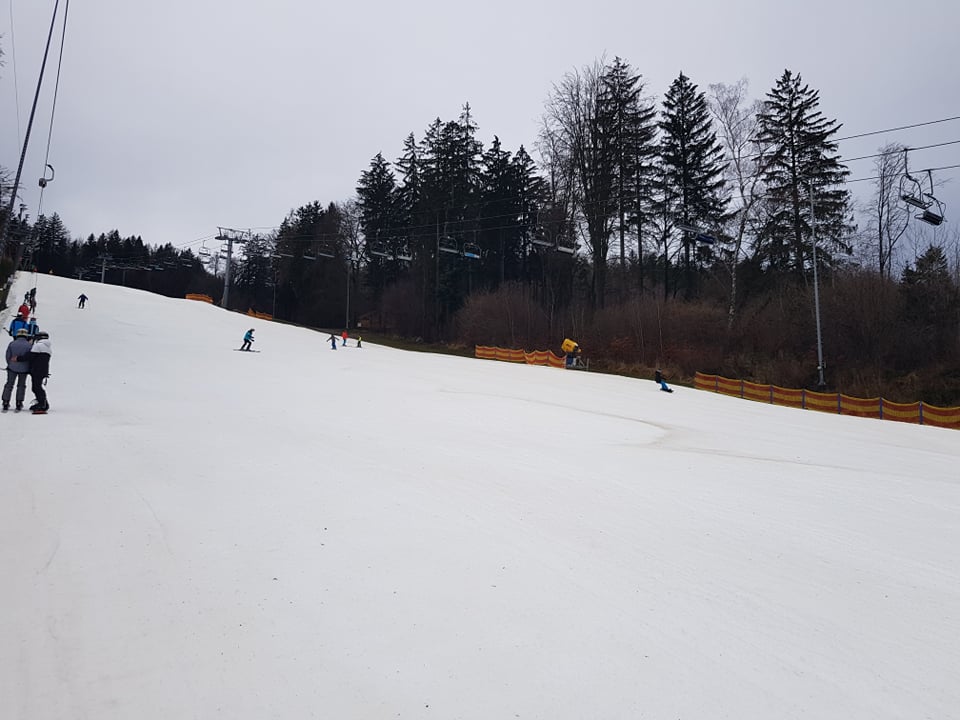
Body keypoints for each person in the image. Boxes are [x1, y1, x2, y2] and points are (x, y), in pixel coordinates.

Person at [2, 329, 32, 412]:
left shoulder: (12, 344)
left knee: (9, 384)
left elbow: (7, 355)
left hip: (12, 367)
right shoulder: (29, 345)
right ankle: (19, 402)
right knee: (21, 385)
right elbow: (30, 357)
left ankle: (5, 402)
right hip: (24, 368)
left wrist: (10, 364)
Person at [27, 330, 52, 413]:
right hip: (42, 370)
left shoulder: (38, 346)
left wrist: (18, 358)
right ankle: (43, 403)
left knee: (36, 388)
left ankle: (42, 404)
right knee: (37, 387)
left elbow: (30, 356)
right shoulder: (47, 347)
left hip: (37, 370)